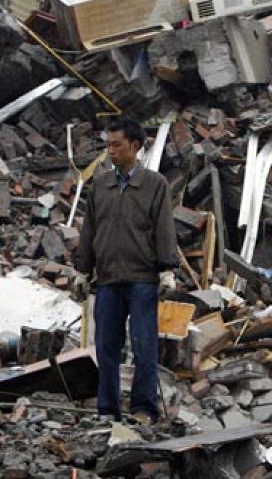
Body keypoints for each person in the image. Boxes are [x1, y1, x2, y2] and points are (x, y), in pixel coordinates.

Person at [75, 118, 178, 425]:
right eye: (107, 145)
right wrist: (82, 271)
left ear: (135, 146)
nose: (110, 151)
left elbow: (164, 229)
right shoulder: (100, 186)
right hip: (107, 279)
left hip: (142, 279)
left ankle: (143, 409)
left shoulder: (154, 185)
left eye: (116, 145)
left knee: (144, 346)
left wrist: (167, 269)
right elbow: (89, 230)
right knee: (106, 346)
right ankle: (107, 409)